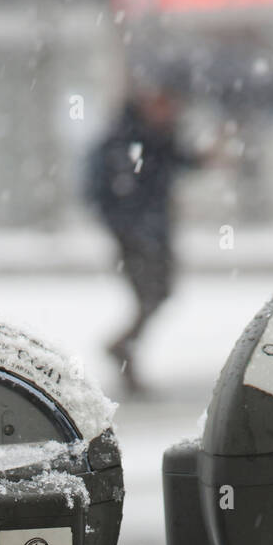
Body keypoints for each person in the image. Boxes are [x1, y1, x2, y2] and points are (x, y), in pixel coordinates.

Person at [87, 83, 201, 394]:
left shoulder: (157, 139)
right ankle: (123, 351)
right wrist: (127, 227)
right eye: (162, 105)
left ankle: (124, 349)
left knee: (159, 293)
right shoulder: (121, 143)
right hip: (135, 236)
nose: (169, 112)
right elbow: (99, 192)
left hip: (156, 232)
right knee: (150, 294)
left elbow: (181, 161)